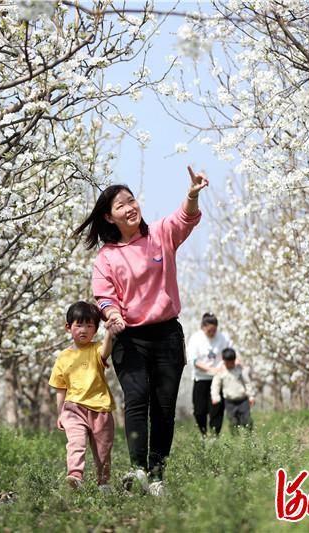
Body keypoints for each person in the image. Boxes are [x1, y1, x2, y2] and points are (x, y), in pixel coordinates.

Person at [74, 166, 208, 495]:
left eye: (132, 200)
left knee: (164, 408)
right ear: (109, 217)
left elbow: (184, 219)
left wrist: (192, 195)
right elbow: (104, 297)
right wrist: (112, 315)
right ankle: (138, 470)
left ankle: (157, 474)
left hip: (167, 335)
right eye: (121, 205)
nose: (130, 207)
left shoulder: (160, 234)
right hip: (130, 339)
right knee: (136, 400)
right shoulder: (106, 257)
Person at [49, 301, 115, 489]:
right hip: (73, 408)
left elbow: (105, 352)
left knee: (103, 450)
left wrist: (109, 332)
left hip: (100, 408)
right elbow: (60, 388)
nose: (84, 330)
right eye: (79, 325)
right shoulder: (63, 357)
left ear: (95, 330)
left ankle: (104, 482)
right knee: (76, 442)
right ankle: (75, 476)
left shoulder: (96, 349)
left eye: (89, 325)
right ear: (68, 328)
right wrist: (60, 413)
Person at [187, 312, 231, 437]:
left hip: (217, 380)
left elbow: (229, 355)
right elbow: (194, 360)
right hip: (200, 379)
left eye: (215, 330)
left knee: (216, 410)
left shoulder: (223, 338)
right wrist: (210, 369)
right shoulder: (196, 338)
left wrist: (221, 368)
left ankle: (214, 437)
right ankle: (204, 434)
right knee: (199, 411)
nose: (212, 333)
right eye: (210, 330)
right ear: (203, 327)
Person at [211, 348, 255, 432]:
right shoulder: (221, 372)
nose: (230, 365)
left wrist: (251, 396)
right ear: (224, 361)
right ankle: (236, 438)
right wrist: (215, 397)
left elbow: (247, 383)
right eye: (228, 363)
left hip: (243, 400)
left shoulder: (240, 370)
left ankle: (249, 435)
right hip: (229, 401)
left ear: (235, 360)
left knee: (246, 419)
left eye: (232, 362)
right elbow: (215, 385)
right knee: (233, 420)